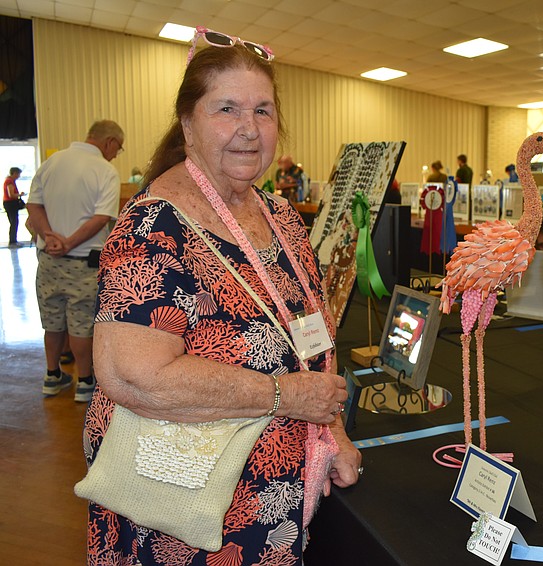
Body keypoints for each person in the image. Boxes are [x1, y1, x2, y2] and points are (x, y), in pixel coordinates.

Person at [83, 31, 360, 563]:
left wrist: (334, 432)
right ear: (187, 123)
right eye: (226, 108)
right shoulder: (154, 226)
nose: (248, 130)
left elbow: (310, 342)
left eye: (263, 110)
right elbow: (134, 375)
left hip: (277, 504)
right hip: (183, 512)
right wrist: (285, 396)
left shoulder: (281, 218)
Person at [26, 120, 123, 404]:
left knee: (53, 321)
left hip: (49, 260)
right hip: (84, 262)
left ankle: (52, 375)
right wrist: (69, 242)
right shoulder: (105, 171)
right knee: (81, 323)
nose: (117, 154)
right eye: (118, 147)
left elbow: (33, 204)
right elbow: (102, 217)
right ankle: (84, 381)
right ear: (109, 142)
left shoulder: (52, 161)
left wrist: (49, 236)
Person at [3, 166, 23, 246]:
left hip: (9, 203)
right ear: (14, 173)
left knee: (14, 222)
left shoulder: (10, 181)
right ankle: (13, 241)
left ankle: (13, 240)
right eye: (18, 174)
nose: (19, 176)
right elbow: (11, 195)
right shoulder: (9, 181)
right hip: (10, 204)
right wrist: (20, 194)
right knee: (14, 222)